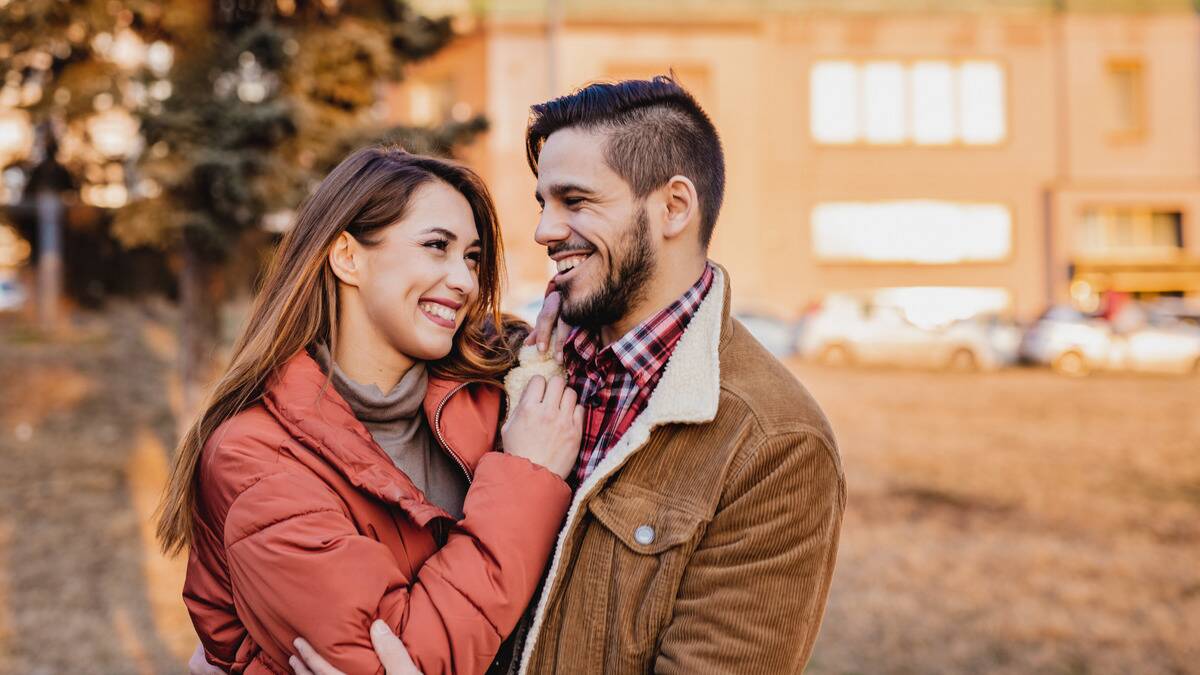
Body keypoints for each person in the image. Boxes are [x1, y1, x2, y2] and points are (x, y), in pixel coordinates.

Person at [298, 74, 847, 674]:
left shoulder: (774, 443)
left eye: (575, 201)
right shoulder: (494, 363)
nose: (543, 230)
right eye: (543, 203)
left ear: (673, 207)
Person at [161, 145, 584, 675]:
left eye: (472, 258)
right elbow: (392, 662)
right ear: (347, 256)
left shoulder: (501, 390)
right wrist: (530, 479)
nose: (466, 281)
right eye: (437, 246)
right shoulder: (255, 460)